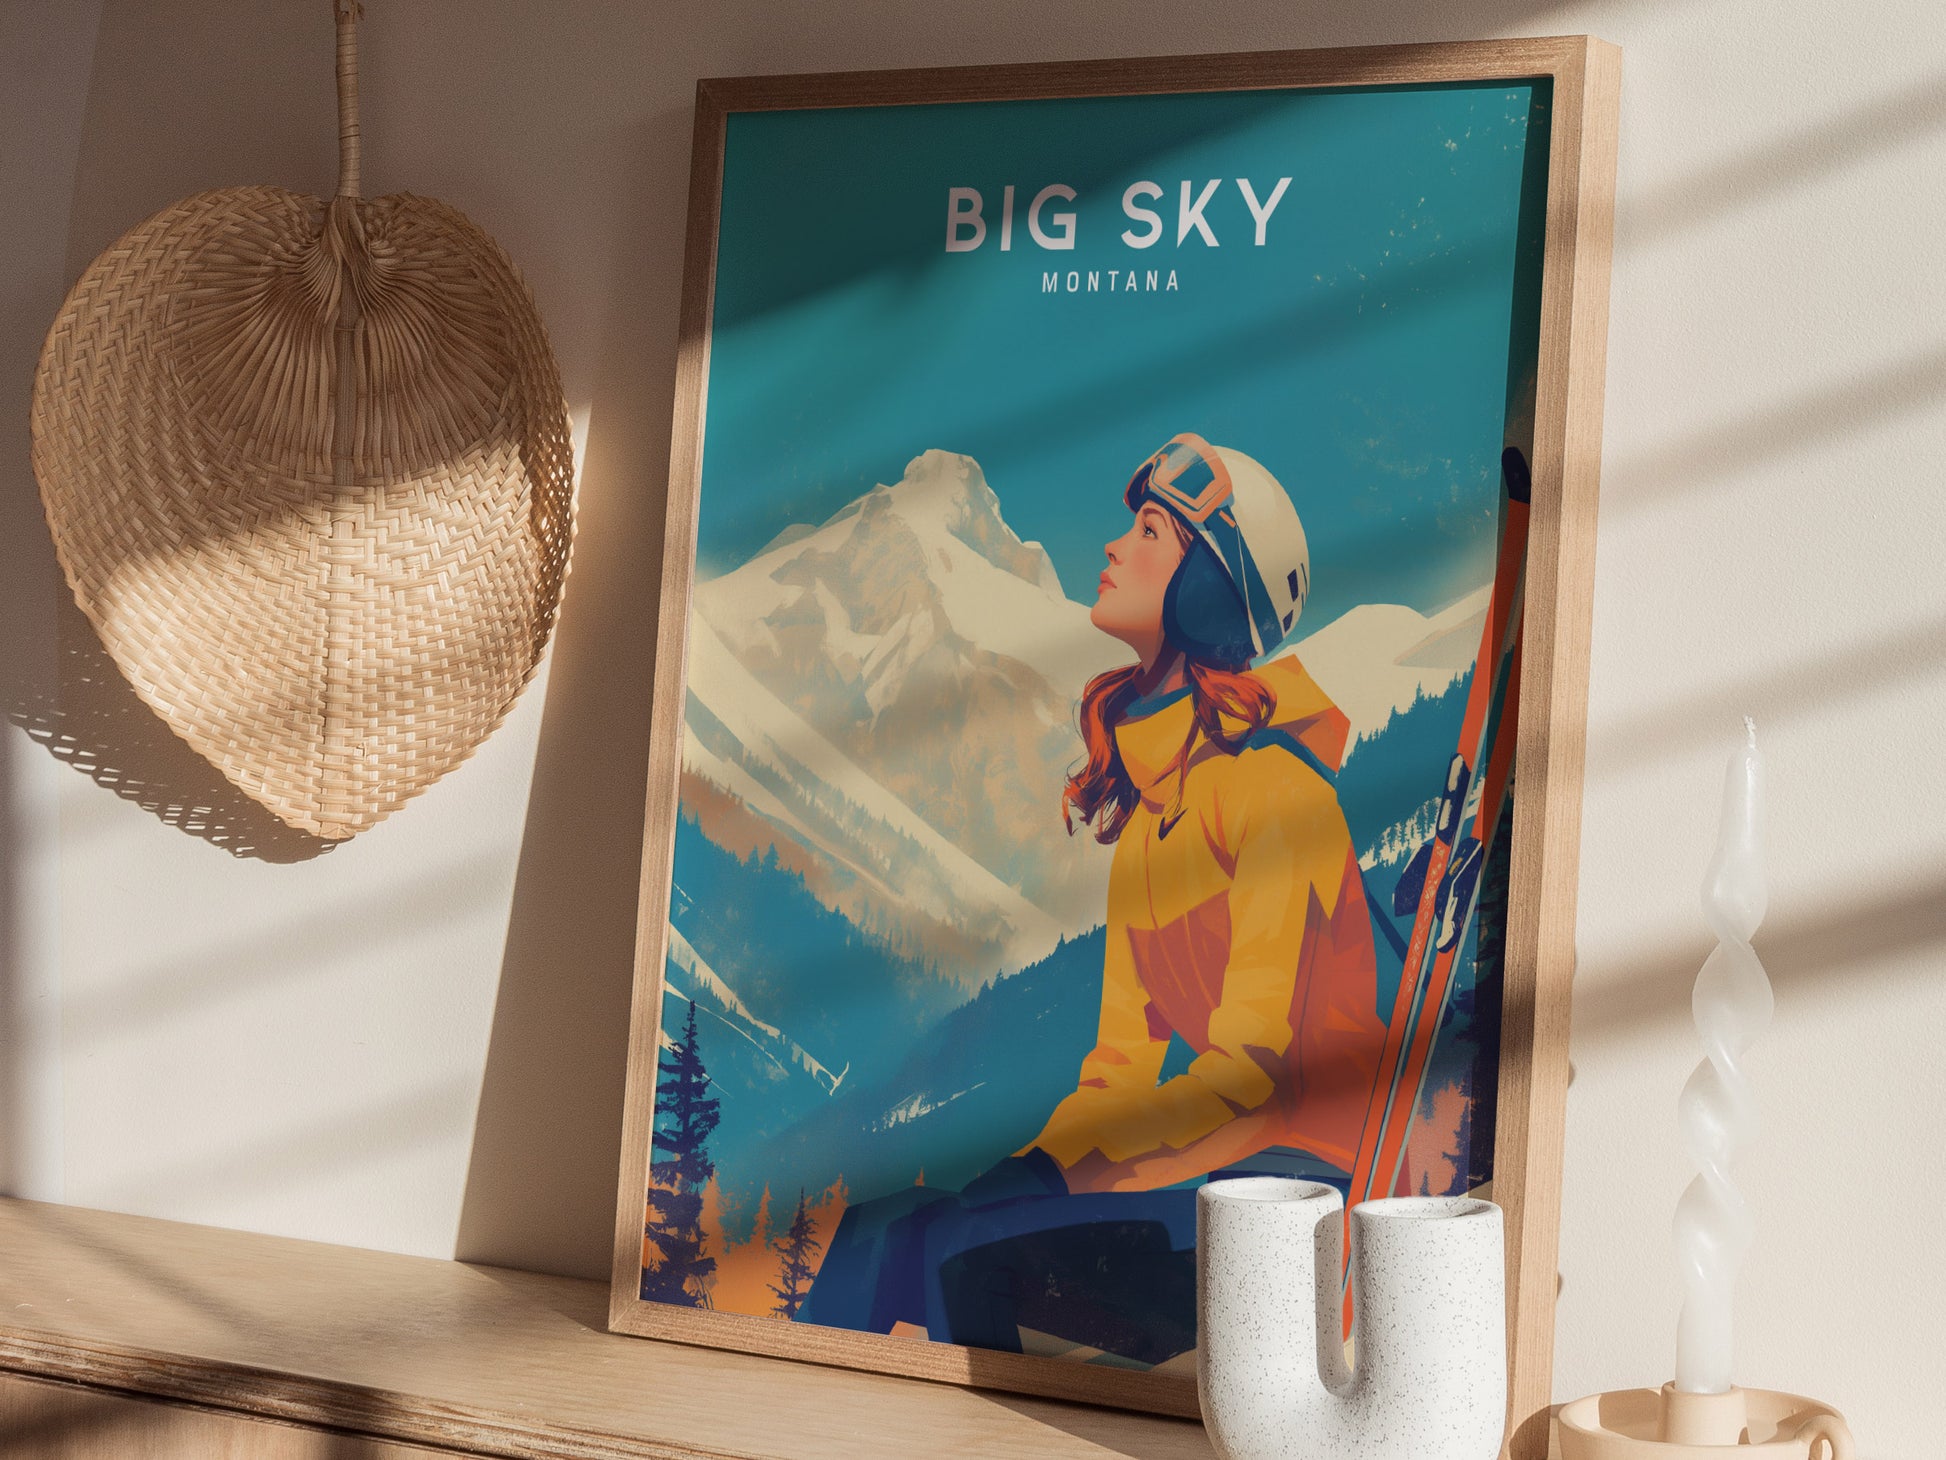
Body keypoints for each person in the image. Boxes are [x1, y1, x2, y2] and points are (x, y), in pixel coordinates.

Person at [1020, 431, 1388, 1193]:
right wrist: (1035, 1168)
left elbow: (1252, 1080)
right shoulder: (1154, 823)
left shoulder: (1281, 801)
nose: (1115, 547)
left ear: (1208, 591)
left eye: (1149, 532)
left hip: (1306, 1179)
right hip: (1219, 1158)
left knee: (951, 1248)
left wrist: (1065, 1185)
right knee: (897, 1233)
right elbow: (1120, 1072)